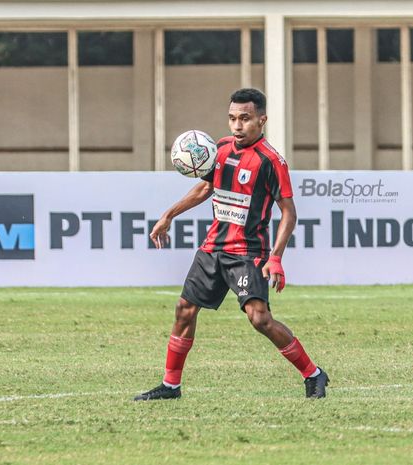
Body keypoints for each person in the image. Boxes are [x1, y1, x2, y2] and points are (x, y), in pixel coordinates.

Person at [134, 88, 329, 401]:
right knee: (184, 310)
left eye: (245, 119)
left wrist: (275, 258)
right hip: (213, 248)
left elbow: (289, 213)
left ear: (262, 120)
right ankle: (171, 386)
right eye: (232, 118)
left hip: (248, 253)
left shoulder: (271, 161)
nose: (237, 126)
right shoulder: (220, 149)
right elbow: (205, 189)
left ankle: (314, 374)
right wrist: (168, 215)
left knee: (260, 319)